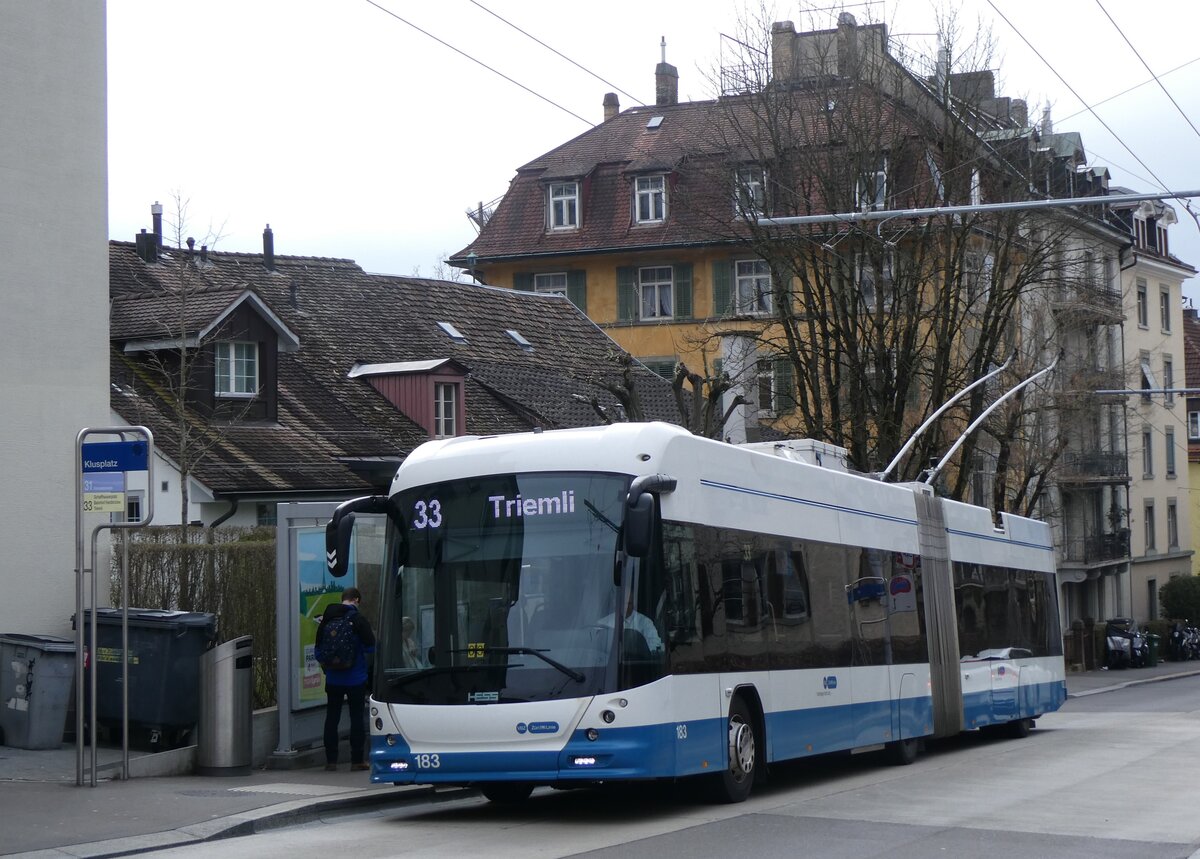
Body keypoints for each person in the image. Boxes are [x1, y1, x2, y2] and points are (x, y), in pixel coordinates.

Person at [317, 586, 375, 772]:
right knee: (356, 717)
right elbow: (371, 648)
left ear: (342, 599)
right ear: (356, 600)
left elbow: (318, 652)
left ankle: (331, 761)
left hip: (333, 679)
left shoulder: (326, 620)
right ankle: (357, 760)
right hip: (355, 678)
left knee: (331, 717)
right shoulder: (358, 619)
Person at [598, 587, 664, 654]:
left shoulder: (645, 623)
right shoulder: (603, 623)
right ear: (616, 603)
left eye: (629, 603)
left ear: (633, 604)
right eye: (623, 603)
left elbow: (655, 646)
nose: (625, 607)